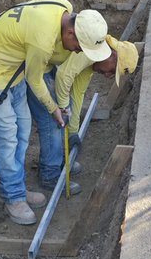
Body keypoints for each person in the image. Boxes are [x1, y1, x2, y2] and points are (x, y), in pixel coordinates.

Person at [0, 0, 111, 225]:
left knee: (23, 131)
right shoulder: (43, 40)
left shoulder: (64, 6)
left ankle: (17, 189)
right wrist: (55, 108)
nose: (77, 52)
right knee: (7, 140)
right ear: (71, 33)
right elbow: (35, 79)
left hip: (14, 70)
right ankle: (13, 198)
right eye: (79, 47)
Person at [28, 36, 139, 196]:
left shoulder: (92, 64)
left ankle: (60, 160)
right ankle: (49, 175)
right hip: (36, 66)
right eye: (111, 70)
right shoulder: (93, 48)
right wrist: (62, 108)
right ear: (113, 54)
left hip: (47, 65)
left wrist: (73, 130)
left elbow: (77, 94)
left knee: (62, 114)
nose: (107, 75)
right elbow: (64, 76)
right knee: (52, 121)